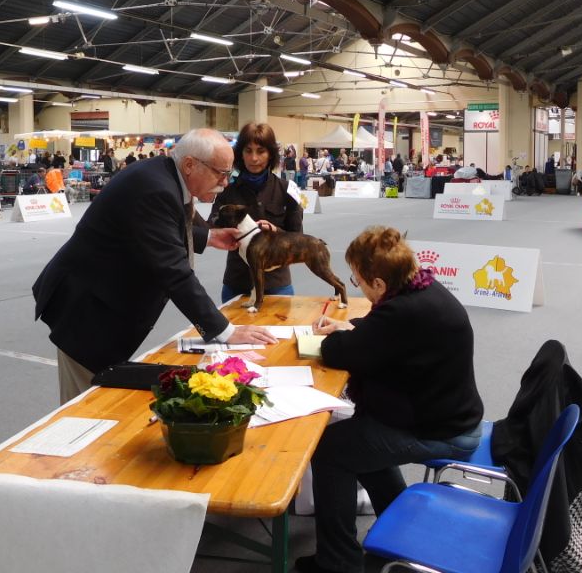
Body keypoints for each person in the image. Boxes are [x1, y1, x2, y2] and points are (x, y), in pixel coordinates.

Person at [32, 128, 277, 403]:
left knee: (102, 402)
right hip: (88, 314)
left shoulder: (165, 177)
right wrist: (226, 331)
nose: (224, 182)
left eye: (228, 174)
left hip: (104, 304)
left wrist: (209, 236)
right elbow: (173, 270)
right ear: (189, 164)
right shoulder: (156, 189)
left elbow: (155, 229)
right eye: (220, 173)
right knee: (85, 409)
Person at [299, 226, 483, 573]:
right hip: (450, 416)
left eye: (358, 281)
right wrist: (350, 328)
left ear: (379, 284)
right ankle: (397, 523)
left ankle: (337, 563)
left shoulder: (402, 313)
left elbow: (341, 352)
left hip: (444, 431)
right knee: (361, 437)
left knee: (331, 450)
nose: (359, 288)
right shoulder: (423, 290)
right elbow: (378, 335)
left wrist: (338, 335)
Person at [208, 122, 303, 304]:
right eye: (248, 150)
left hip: (277, 284)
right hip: (236, 284)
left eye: (261, 151)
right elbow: (212, 225)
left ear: (271, 154)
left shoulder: (288, 190)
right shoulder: (227, 191)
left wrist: (276, 232)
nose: (253, 158)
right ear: (240, 153)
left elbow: (297, 237)